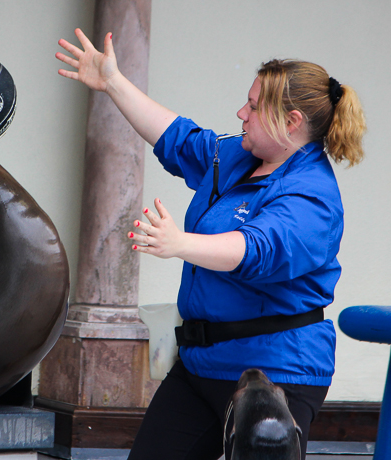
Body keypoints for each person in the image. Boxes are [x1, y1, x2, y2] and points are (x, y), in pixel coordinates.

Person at [56, 28, 366, 460]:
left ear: (292, 122)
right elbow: (177, 137)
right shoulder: (238, 155)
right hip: (202, 364)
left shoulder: (312, 195)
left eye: (255, 107)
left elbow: (254, 250)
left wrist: (180, 243)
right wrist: (112, 81)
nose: (242, 112)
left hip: (275, 374)